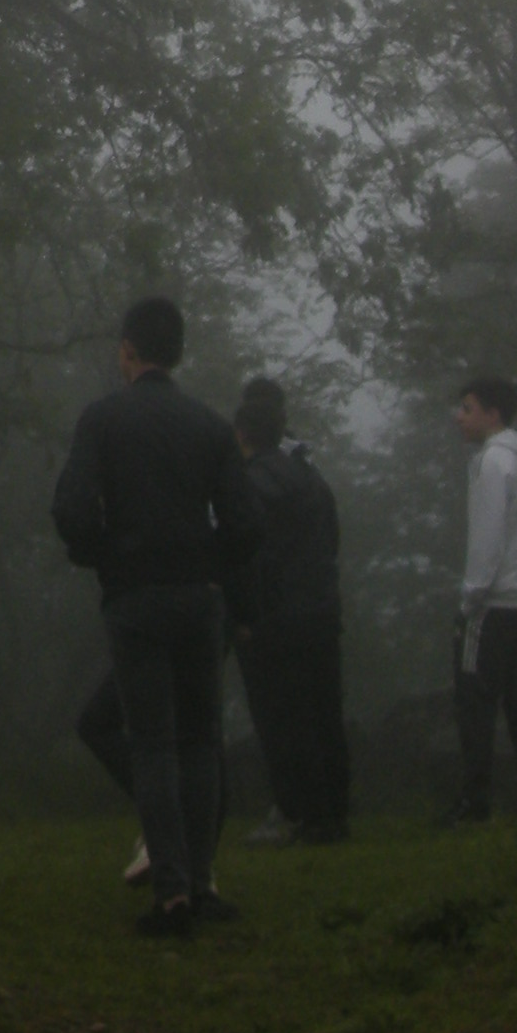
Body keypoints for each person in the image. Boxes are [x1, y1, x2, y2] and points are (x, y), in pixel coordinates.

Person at [51, 295, 259, 937]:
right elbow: (246, 522)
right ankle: (202, 882)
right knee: (200, 741)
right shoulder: (211, 427)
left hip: (135, 597)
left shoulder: (103, 420)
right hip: (199, 597)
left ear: (127, 350)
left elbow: (72, 509)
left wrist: (103, 556)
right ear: (178, 353)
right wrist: (211, 562)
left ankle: (170, 894)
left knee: (152, 744)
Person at [231, 378, 349, 846]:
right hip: (320, 608)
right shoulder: (311, 476)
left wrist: (244, 614)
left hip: (275, 618)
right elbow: (332, 536)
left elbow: (246, 554)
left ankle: (301, 814)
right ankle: (335, 812)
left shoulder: (248, 483)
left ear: (241, 433)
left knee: (282, 720)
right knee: (325, 713)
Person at [450, 371, 517, 824]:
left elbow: (486, 538)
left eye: (467, 408)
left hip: (496, 604)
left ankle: (474, 803)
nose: (459, 417)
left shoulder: (492, 462)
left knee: (475, 703)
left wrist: (471, 599)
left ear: (492, 414)